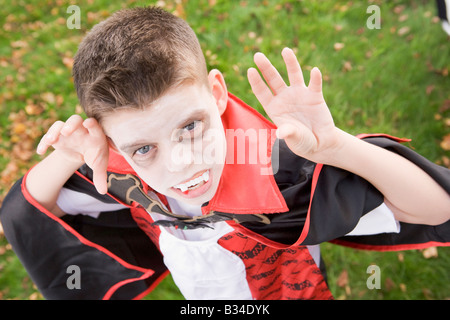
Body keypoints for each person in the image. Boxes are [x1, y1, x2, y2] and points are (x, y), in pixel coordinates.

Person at [0, 6, 449, 300]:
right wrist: (70, 155)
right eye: (143, 147)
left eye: (190, 127)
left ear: (217, 92)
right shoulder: (120, 174)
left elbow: (434, 207)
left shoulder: (281, 175)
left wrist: (337, 147)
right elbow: (27, 212)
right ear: (113, 143)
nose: (181, 164)